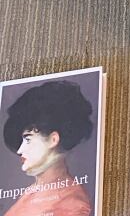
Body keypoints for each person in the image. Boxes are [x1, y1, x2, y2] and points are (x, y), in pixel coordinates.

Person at [2, 80, 93, 215]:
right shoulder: (30, 193)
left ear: (53, 139)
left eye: (28, 139)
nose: (20, 150)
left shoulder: (73, 205)